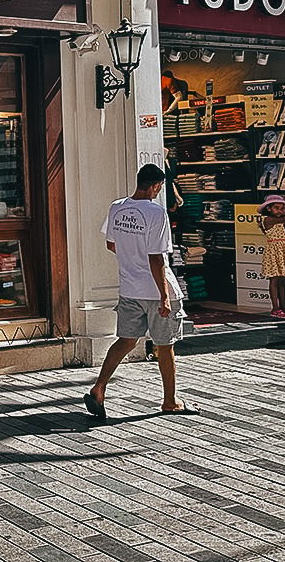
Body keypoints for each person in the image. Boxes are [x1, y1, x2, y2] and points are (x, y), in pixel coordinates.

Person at [85, 164, 197, 420]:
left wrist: (130, 256)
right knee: (165, 345)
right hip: (155, 289)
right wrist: (165, 295)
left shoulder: (117, 207)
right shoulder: (156, 213)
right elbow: (156, 257)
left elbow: (111, 244)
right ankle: (170, 401)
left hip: (129, 287)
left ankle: (99, 388)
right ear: (157, 186)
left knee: (125, 340)